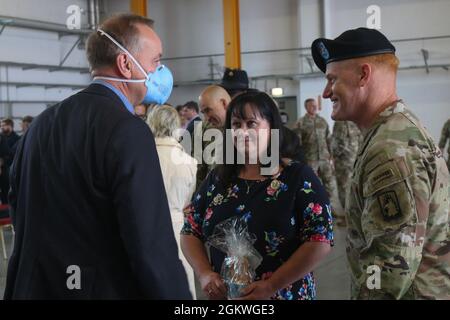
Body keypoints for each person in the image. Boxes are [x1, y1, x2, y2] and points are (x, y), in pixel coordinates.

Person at [4, 14, 191, 299]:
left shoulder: (42, 123)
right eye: (156, 60)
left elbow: (19, 205)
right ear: (126, 64)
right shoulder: (128, 131)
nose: (160, 70)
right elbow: (150, 245)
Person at [312, 27, 450, 299]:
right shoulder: (392, 130)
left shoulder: (390, 150)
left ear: (364, 75)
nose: (327, 93)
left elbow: (387, 274)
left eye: (332, 80)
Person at [181, 91, 333, 300]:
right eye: (236, 124)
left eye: (251, 123)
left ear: (271, 129)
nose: (242, 132)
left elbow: (320, 240)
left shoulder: (299, 178)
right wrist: (204, 273)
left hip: (283, 295)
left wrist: (271, 285)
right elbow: (190, 230)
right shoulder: (218, 178)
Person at [147, 105, 198, 298]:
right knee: (183, 284)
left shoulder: (142, 157)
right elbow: (187, 202)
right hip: (179, 230)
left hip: (147, 227)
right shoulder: (189, 162)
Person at [294, 99, 335, 197]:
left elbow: (328, 139)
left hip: (324, 158)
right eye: (311, 105)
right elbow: (297, 144)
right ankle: (314, 206)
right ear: (306, 107)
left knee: (329, 183)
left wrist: (332, 155)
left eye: (315, 105)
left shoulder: (322, 121)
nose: (314, 107)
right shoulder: (300, 122)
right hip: (310, 159)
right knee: (311, 184)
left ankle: (330, 207)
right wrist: (300, 160)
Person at [330, 120, 362, 225]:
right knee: (348, 188)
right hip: (349, 161)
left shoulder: (345, 123)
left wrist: (334, 156)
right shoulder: (353, 121)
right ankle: (350, 217)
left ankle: (349, 218)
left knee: (345, 189)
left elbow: (337, 143)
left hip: (347, 161)